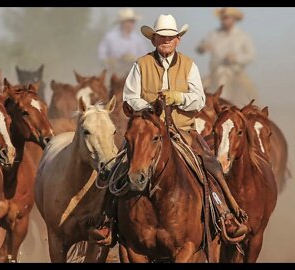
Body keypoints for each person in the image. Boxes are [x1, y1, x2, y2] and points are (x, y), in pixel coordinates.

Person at [92, 14, 248, 244]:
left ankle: (225, 214)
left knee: (209, 164)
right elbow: (129, 96)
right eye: (161, 37)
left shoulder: (189, 65)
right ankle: (105, 220)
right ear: (153, 39)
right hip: (146, 130)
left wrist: (179, 97)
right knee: (119, 165)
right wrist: (149, 108)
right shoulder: (141, 64)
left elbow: (199, 99)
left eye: (170, 37)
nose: (166, 40)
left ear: (177, 40)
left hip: (182, 130)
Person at [196, 7, 257, 107]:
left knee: (252, 94)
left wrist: (236, 58)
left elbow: (251, 55)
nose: (224, 21)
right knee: (198, 90)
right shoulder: (213, 34)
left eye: (227, 18)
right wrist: (203, 47)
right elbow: (199, 48)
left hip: (236, 73)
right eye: (223, 18)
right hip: (214, 73)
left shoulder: (242, 36)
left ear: (234, 19)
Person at [97, 8, 149, 77]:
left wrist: (134, 59)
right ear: (122, 22)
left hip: (133, 73)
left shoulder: (138, 39)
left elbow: (145, 58)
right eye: (129, 21)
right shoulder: (110, 37)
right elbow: (101, 55)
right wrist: (109, 61)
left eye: (132, 21)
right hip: (112, 73)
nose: (131, 24)